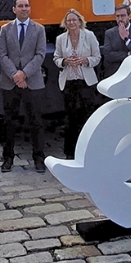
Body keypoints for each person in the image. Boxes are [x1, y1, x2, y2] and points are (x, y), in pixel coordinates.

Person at [0, 0, 47, 173]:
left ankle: (39, 159)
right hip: (9, 83)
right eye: (20, 6)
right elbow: (2, 55)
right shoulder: (5, 29)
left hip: (32, 82)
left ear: (30, 8)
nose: (24, 8)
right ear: (14, 9)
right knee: (9, 122)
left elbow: (40, 55)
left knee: (36, 122)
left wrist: (24, 73)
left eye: (26, 5)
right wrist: (15, 75)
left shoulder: (39, 29)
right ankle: (8, 158)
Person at [53, 9, 101, 159]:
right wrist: (65, 61)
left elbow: (97, 57)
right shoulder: (61, 38)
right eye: (69, 20)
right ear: (65, 23)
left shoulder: (89, 36)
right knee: (70, 118)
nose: (71, 23)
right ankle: (70, 152)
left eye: (74, 20)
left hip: (85, 82)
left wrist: (85, 60)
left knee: (86, 116)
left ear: (80, 22)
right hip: (69, 82)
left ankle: (88, 150)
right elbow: (56, 58)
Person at [102, 3, 131, 78]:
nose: (120, 19)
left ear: (129, 17)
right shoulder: (109, 33)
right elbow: (108, 55)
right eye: (117, 16)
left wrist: (127, 40)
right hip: (115, 73)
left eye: (122, 16)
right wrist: (129, 54)